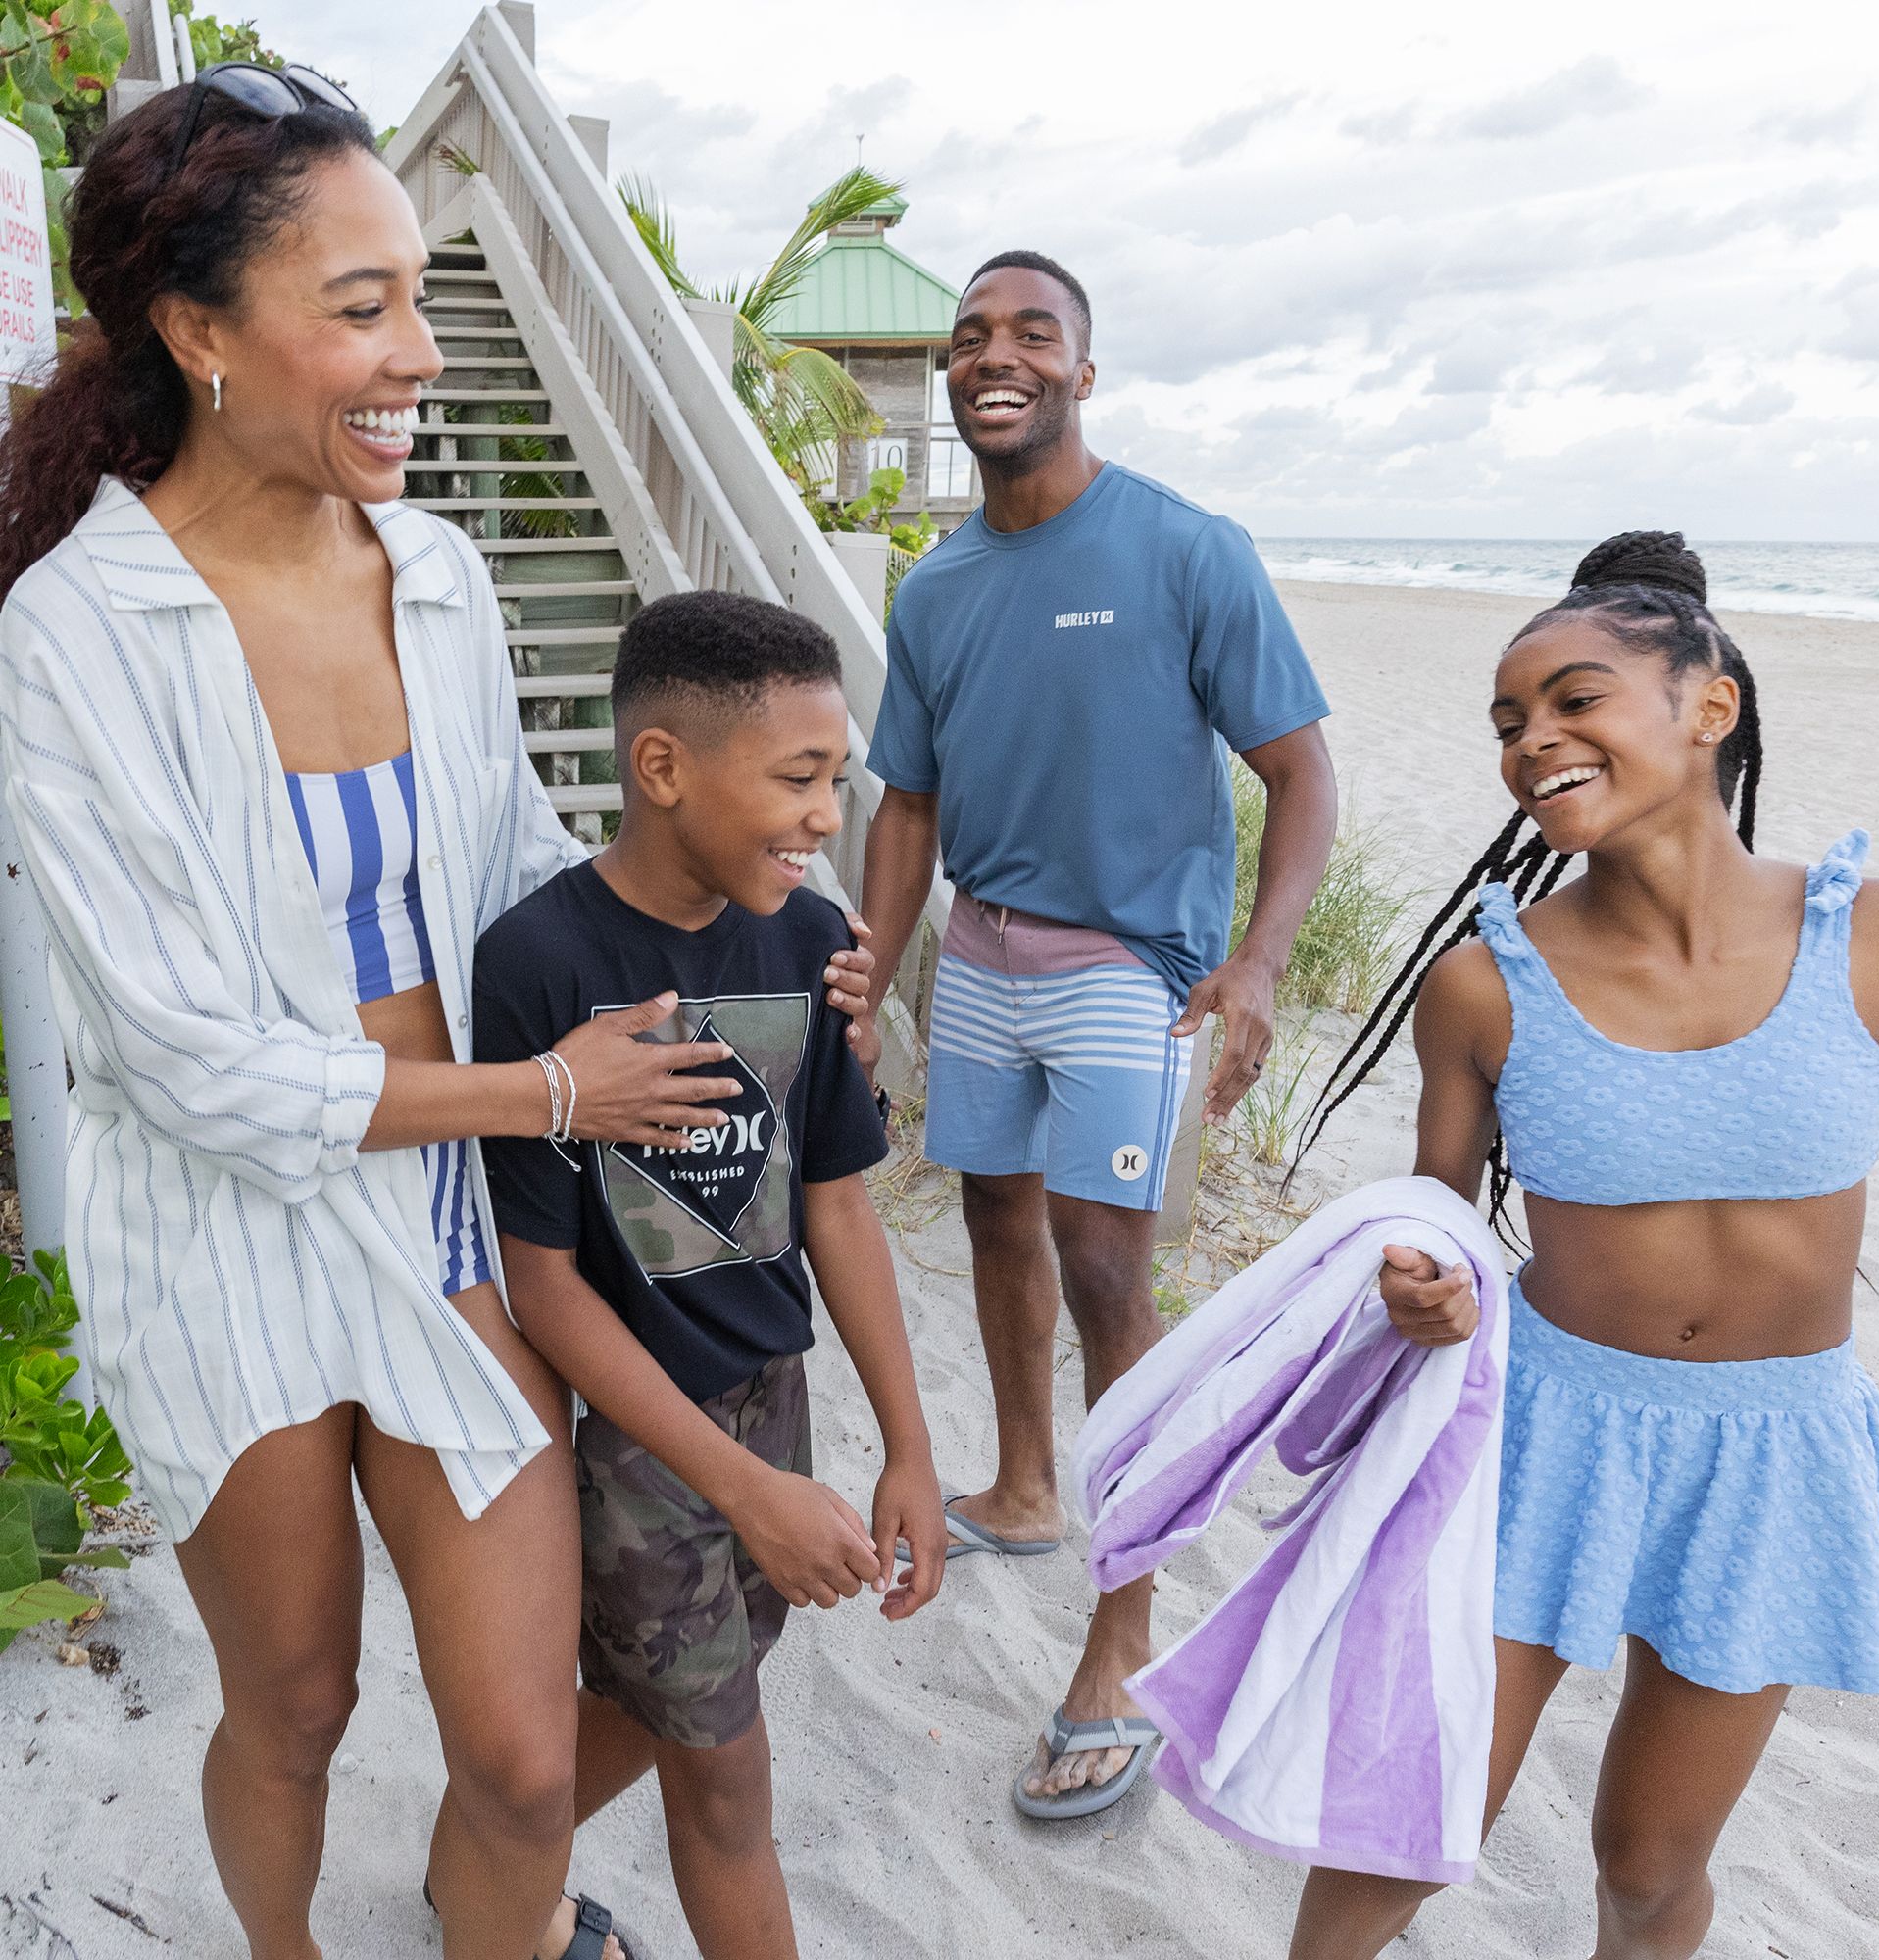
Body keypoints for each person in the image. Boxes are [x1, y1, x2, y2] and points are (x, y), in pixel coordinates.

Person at [0, 74, 874, 1960]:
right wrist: (549, 1089)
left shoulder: (445, 577)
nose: (423, 358)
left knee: (523, 1762)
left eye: (420, 298)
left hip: (457, 1208)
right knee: (296, 1705)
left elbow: (523, 863)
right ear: (198, 331)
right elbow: (181, 1060)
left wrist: (752, 931)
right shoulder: (72, 634)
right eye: (364, 306)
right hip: (224, 1238)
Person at [1289, 532, 1879, 1959]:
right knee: (1404, 1833)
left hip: (1776, 1452)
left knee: (1647, 1868)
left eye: (1575, 701)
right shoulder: (1482, 986)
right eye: (1510, 722)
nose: (1535, 742)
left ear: (1708, 705)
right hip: (1545, 1429)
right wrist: (1421, 1289)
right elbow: (1438, 1231)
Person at [855, 249, 1339, 1817]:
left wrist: (1261, 963)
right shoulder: (932, 585)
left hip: (1131, 968)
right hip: (979, 954)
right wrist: (872, 962)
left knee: (1108, 1265)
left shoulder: (1189, 550)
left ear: (1082, 369)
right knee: (994, 1212)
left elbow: (1303, 774)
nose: (994, 356)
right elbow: (909, 802)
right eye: (970, 337)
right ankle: (1024, 1482)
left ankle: (1123, 1638)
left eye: (1031, 334)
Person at [471, 589, 947, 1959]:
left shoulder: (805, 940)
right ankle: (497, 1863)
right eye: (799, 780)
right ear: (662, 767)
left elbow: (840, 1207)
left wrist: (908, 1446)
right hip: (638, 1440)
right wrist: (743, 1491)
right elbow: (545, 1287)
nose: (824, 816)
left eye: (836, 782)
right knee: (728, 1770)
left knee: (667, 1696)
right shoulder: (542, 962)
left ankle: (493, 1865)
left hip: (770, 1393)